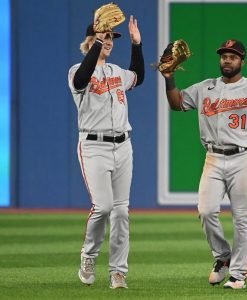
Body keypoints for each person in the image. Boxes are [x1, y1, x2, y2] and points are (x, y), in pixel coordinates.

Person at [159, 39, 247, 289]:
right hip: (213, 158)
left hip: (242, 158)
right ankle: (222, 256)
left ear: (242, 61)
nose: (227, 60)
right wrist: (169, 78)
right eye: (224, 56)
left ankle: (238, 274)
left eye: (233, 56)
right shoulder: (205, 87)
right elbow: (176, 104)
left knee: (241, 218)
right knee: (206, 211)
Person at [67, 16, 144, 289]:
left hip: (123, 145)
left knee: (121, 211)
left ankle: (118, 272)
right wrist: (97, 43)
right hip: (93, 146)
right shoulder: (77, 70)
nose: (110, 41)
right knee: (104, 207)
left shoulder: (116, 72)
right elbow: (81, 80)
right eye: (105, 36)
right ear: (91, 40)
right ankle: (88, 256)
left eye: (112, 37)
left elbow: (139, 76)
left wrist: (137, 45)